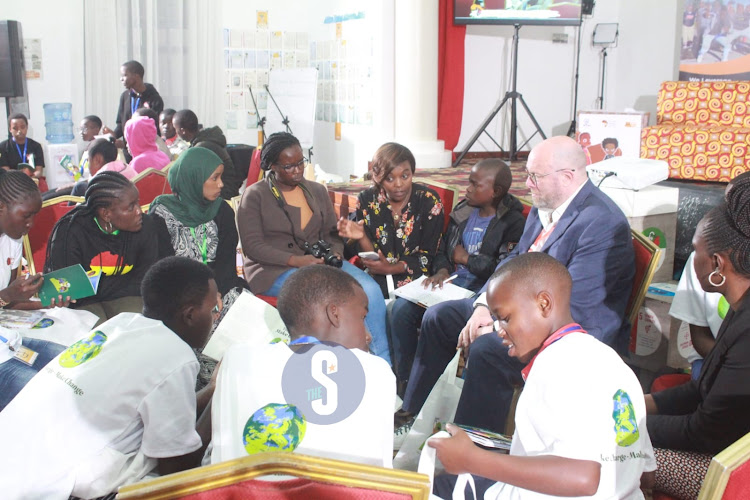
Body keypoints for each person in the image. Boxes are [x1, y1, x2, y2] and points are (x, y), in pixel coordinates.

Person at [398, 136, 634, 437]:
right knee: (439, 318)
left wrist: (501, 325)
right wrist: (485, 305)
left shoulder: (601, 223)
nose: (527, 184)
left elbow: (574, 308)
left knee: (487, 349)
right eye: (528, 175)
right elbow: (515, 260)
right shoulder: (544, 205)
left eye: (535, 176)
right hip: (522, 312)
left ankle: (477, 452)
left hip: (569, 335)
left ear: (568, 176)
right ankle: (416, 421)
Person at [428, 253, 655, 499]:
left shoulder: (553, 365)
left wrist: (473, 460)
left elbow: (584, 478)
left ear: (544, 304)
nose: (498, 330)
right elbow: (646, 474)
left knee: (437, 487)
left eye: (505, 319)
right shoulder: (614, 363)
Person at [0, 256, 220, 499]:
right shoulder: (176, 355)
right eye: (212, 310)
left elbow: (165, 409)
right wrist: (219, 396)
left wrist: (210, 390)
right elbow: (178, 472)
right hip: (44, 488)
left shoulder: (120, 324)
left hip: (12, 457)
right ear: (189, 315)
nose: (215, 318)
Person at [210, 265, 395, 467]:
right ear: (334, 314)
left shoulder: (236, 361)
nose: (368, 335)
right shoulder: (375, 370)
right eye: (362, 318)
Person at [237, 132, 390, 364]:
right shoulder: (255, 195)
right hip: (274, 269)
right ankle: (344, 366)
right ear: (272, 166)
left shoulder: (317, 191)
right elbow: (253, 247)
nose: (297, 170)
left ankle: (382, 365)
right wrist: (296, 261)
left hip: (322, 264)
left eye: (300, 163)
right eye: (289, 166)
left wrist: (335, 253)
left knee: (369, 289)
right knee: (330, 300)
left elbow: (331, 234)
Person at [646, 177, 750, 499]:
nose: (693, 258)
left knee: (617, 457)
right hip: (723, 442)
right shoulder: (740, 304)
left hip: (734, 468)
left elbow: (704, 433)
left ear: (718, 264)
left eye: (695, 250)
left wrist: (624, 430)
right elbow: (705, 385)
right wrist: (641, 405)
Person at [387, 159, 526, 393]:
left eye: (475, 185)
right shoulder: (463, 212)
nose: (468, 189)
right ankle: (407, 383)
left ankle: (432, 390)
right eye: (468, 183)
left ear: (496, 191)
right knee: (400, 310)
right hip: (451, 283)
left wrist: (466, 260)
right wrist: (441, 270)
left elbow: (503, 269)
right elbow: (443, 251)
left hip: (481, 291)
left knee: (433, 315)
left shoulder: (513, 223)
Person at [45, 171, 174, 324]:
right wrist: (114, 284)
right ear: (106, 214)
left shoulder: (146, 226)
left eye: (138, 202)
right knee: (96, 336)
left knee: (140, 327)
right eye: (131, 207)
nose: (139, 211)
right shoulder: (69, 232)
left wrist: (98, 286)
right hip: (84, 302)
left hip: (127, 295)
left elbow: (144, 279)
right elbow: (68, 288)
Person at [337, 142, 444, 298]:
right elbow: (371, 257)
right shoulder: (368, 200)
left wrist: (392, 268)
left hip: (415, 277)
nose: (399, 184)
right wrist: (362, 237)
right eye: (389, 178)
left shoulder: (428, 201)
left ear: (412, 173)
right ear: (377, 177)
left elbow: (428, 256)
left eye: (405, 176)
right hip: (377, 274)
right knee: (356, 295)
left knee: (396, 307)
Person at [150, 147, 246, 297]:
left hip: (220, 288)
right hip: (178, 294)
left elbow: (226, 266)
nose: (221, 184)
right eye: (215, 178)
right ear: (194, 178)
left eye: (221, 177)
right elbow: (163, 270)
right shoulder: (161, 215)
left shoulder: (221, 211)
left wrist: (215, 294)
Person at [173, 109, 242, 199]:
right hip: (226, 189)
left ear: (182, 131)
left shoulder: (201, 148)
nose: (176, 133)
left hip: (222, 194)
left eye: (176, 129)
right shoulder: (207, 140)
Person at [104, 60, 164, 162]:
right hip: (128, 152)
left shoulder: (154, 99)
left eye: (124, 75)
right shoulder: (125, 97)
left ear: (136, 76)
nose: (121, 79)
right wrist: (113, 135)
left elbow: (152, 131)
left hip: (146, 154)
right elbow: (120, 124)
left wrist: (126, 144)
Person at [0, 113, 45, 177]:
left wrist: (30, 178)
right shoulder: (3, 147)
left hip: (31, 181)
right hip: (11, 183)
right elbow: (5, 172)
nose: (19, 131)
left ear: (27, 127)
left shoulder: (36, 146)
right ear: (10, 129)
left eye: (22, 127)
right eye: (15, 128)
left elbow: (39, 171)